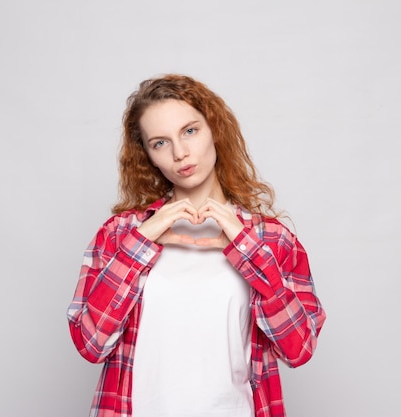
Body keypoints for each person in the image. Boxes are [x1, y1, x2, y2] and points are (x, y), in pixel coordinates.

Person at [67, 74, 326, 417]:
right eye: (160, 142)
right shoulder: (120, 235)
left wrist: (247, 249)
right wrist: (141, 241)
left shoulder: (271, 240)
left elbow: (299, 349)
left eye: (190, 131)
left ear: (214, 129)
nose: (180, 153)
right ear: (148, 156)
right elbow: (90, 343)